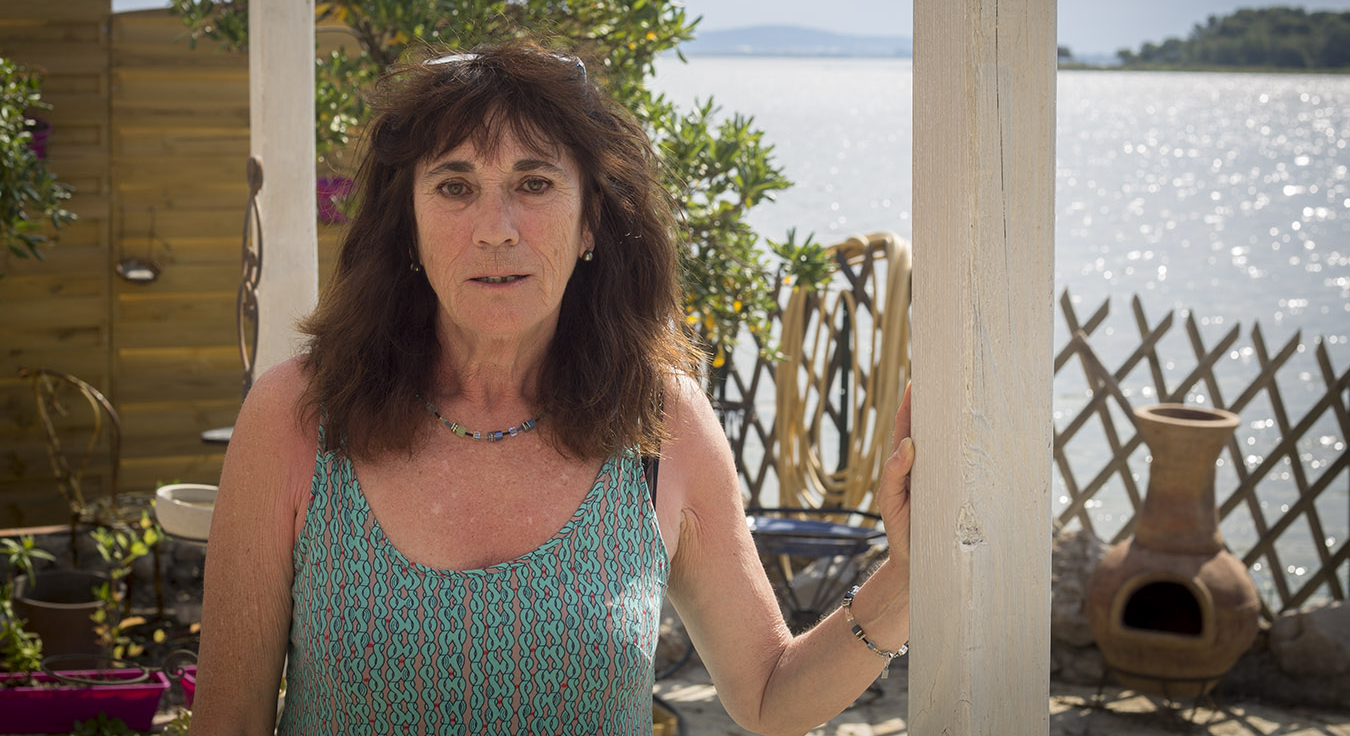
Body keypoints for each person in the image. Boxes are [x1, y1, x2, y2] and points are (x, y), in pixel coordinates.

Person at [190, 40, 914, 736]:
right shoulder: (297, 416)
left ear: (591, 219)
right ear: (407, 226)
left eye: (533, 184)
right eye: (454, 187)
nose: (496, 229)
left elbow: (768, 695)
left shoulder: (661, 422)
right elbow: (230, 723)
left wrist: (907, 575)